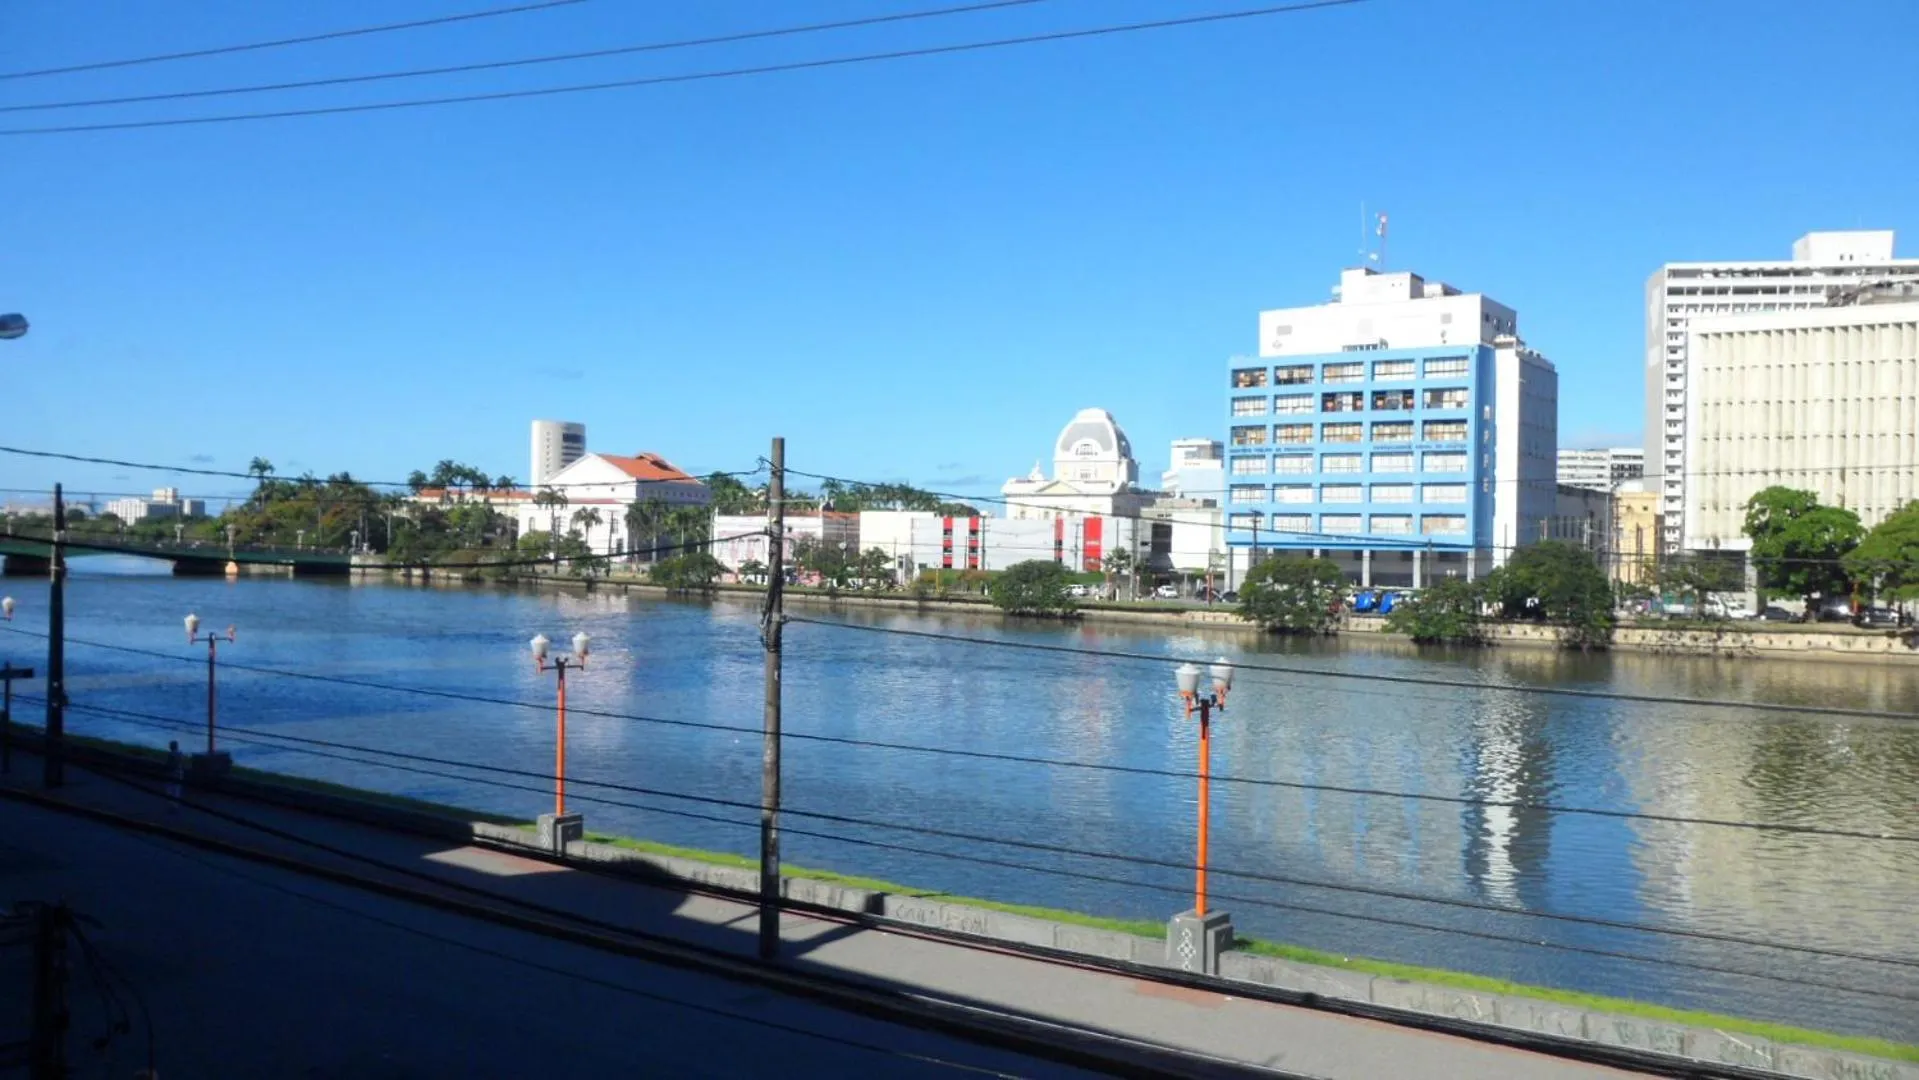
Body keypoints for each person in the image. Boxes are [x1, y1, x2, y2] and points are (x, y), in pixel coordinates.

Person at [165, 741, 184, 806]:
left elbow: (168, 764)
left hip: (172, 774)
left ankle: (171, 803)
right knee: (177, 789)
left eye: (170, 745)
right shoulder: (180, 754)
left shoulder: (170, 754)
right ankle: (175, 804)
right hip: (179, 774)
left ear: (172, 746)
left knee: (169, 788)